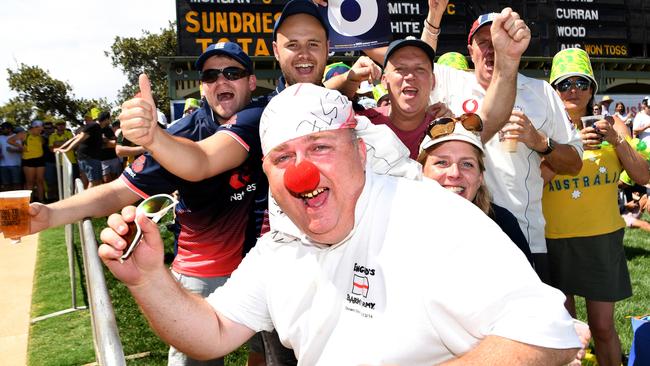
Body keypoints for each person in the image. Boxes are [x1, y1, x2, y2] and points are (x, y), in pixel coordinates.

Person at [99, 83, 583, 365]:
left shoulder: (432, 216)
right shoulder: (278, 248)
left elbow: (548, 332)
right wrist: (148, 279)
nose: (302, 170)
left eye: (321, 148)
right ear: (267, 173)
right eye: (284, 157)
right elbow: (214, 332)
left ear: (362, 151)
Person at [28, 41, 268, 366]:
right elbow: (118, 191)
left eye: (232, 72)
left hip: (259, 267)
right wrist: (49, 214)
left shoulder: (268, 117)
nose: (221, 81)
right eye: (210, 75)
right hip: (200, 274)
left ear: (251, 81)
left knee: (266, 353)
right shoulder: (183, 132)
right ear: (202, 85)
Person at [422, 5, 583, 282]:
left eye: (499, 40)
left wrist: (539, 141)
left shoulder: (540, 92)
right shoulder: (448, 82)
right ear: (469, 51)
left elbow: (575, 163)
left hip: (524, 234)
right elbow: (414, 66)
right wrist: (434, 17)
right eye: (483, 42)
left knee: (527, 322)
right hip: (452, 234)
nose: (491, 48)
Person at [542, 47, 650, 366]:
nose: (573, 90)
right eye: (564, 84)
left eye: (580, 82)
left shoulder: (613, 125)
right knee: (565, 332)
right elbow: (531, 185)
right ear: (553, 91)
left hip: (601, 238)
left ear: (592, 88)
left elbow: (643, 176)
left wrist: (616, 140)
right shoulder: (544, 130)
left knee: (603, 328)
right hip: (553, 240)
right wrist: (566, 151)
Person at [417, 114, 534, 266]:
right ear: (420, 172)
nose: (455, 173)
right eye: (442, 162)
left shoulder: (502, 225)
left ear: (480, 178)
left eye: (467, 164)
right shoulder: (400, 226)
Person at [58, 110, 107, 188]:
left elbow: (74, 138)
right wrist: (67, 149)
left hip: (89, 158)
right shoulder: (94, 126)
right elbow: (79, 138)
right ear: (106, 119)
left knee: (95, 182)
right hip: (89, 158)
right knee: (94, 182)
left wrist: (61, 148)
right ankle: (85, 199)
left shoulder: (93, 127)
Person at [12, 120, 46, 201]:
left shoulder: (40, 136)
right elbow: (10, 140)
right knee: (30, 182)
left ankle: (42, 201)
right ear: (34, 127)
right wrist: (20, 146)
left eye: (41, 130)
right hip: (28, 160)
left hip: (40, 160)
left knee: (40, 181)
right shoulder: (24, 134)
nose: (41, 131)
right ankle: (30, 202)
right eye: (39, 129)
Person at [0, 123, 23, 191]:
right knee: (6, 184)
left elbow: (23, 150)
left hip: (15, 164)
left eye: (3, 128)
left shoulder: (17, 137)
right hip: (2, 165)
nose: (2, 130)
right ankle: (8, 201)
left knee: (17, 184)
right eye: (2, 128)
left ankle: (18, 201)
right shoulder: (0, 137)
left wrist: (14, 150)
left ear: (9, 129)